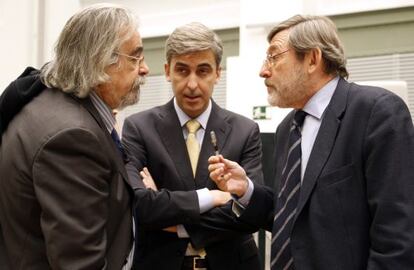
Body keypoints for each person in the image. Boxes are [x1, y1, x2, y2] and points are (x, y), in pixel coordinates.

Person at [208, 14, 414, 270]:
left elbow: (396, 234)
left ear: (312, 59)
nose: (264, 70)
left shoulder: (376, 112)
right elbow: (295, 217)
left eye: (274, 56)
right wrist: (246, 190)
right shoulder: (288, 129)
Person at [0, 4, 149, 269]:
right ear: (100, 60)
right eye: (135, 58)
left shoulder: (50, 103)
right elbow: (80, 262)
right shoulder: (73, 135)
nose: (145, 68)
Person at [122, 22, 263, 270]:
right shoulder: (139, 128)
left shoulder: (245, 131)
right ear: (167, 71)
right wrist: (214, 198)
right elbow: (142, 208)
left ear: (218, 73)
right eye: (183, 70)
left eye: (203, 71)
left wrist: (175, 222)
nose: (192, 84)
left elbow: (250, 215)